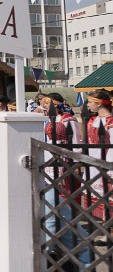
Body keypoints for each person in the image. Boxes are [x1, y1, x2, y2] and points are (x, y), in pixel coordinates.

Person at [41, 92, 90, 266]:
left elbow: (75, 141)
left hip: (65, 159)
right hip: (51, 158)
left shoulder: (69, 120)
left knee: (65, 195)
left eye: (48, 102)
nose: (46, 105)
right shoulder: (51, 120)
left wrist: (76, 162)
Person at [85, 89, 113, 220]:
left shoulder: (110, 121)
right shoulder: (92, 120)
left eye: (90, 102)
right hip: (92, 161)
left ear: (100, 103)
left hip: (105, 161)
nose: (88, 105)